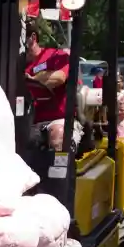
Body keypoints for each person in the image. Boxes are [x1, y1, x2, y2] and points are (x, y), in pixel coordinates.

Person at [25, 22, 82, 151]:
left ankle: (61, 170)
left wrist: (34, 79)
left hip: (58, 119)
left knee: (58, 135)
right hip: (28, 121)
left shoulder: (55, 56)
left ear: (33, 38)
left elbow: (60, 77)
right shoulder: (17, 64)